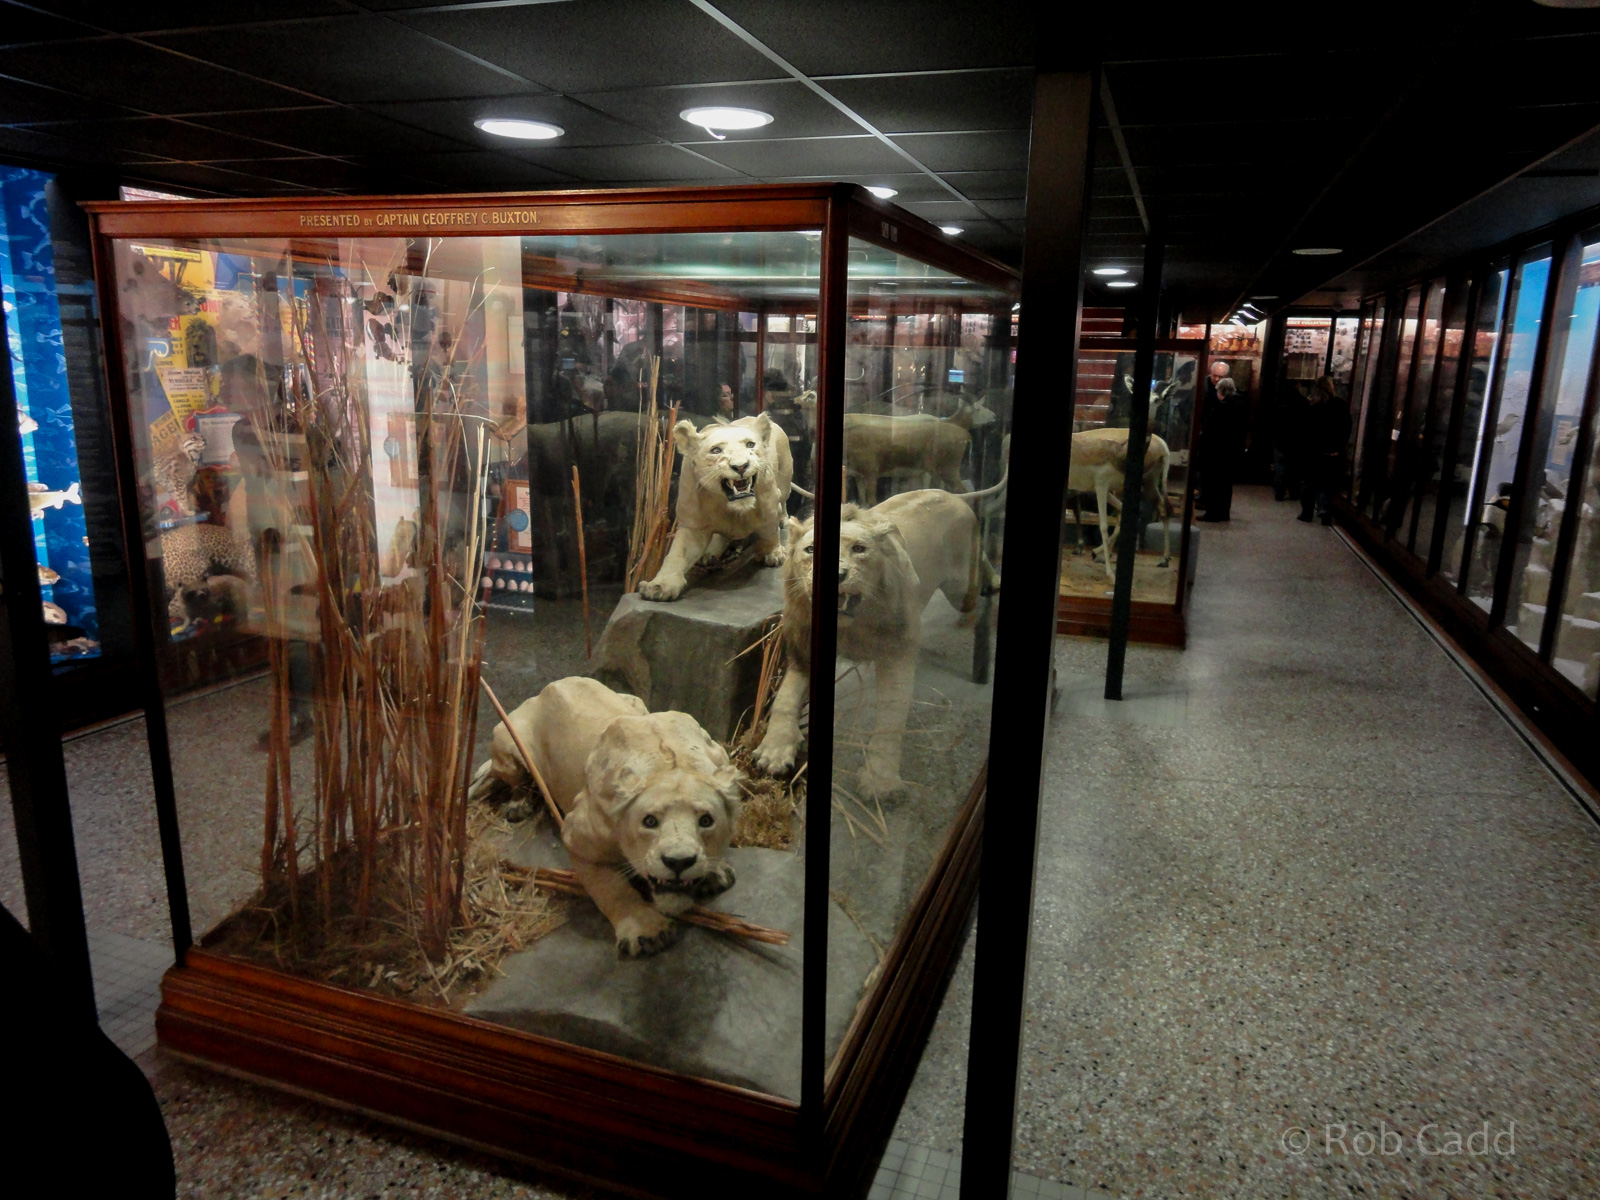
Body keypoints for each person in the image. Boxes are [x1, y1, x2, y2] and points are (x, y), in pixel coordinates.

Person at [1298, 375, 1350, 526]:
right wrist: (1340, 447)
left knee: (1309, 482)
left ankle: (1307, 512)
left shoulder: (1313, 406)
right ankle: (1325, 512)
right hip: (1332, 452)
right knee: (1326, 484)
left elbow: (1306, 431)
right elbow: (1346, 428)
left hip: (1313, 452)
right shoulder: (1340, 405)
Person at [1198, 372, 1245, 521]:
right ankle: (1224, 512)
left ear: (1221, 391)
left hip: (1217, 453)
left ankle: (1212, 514)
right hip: (1231, 452)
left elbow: (1211, 431)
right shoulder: (1240, 405)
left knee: (1214, 484)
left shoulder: (1221, 408)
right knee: (1226, 485)